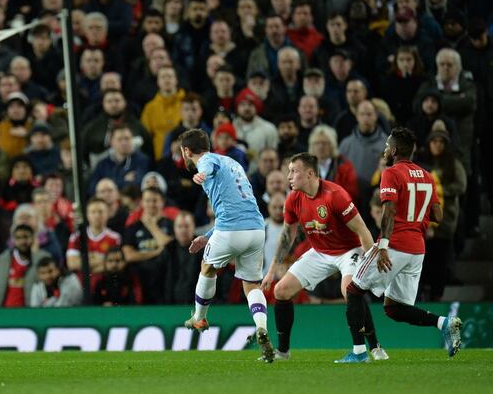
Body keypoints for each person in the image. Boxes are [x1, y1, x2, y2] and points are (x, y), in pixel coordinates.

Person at [345, 127, 462, 359]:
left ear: (396, 150)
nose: (385, 149)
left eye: (388, 146)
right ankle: (443, 323)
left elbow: (389, 212)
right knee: (394, 308)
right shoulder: (428, 176)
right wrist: (418, 214)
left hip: (395, 245)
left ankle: (359, 352)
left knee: (353, 290)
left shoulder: (391, 173)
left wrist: (385, 246)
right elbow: (439, 216)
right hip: (417, 250)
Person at [260, 152, 386, 363]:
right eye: (288, 171)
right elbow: (286, 236)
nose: (289, 176)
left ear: (310, 174)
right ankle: (283, 352)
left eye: (294, 171)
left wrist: (369, 262)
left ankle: (371, 348)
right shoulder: (293, 199)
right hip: (320, 252)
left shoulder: (335, 195)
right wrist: (272, 271)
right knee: (281, 290)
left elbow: (363, 230)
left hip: (349, 250)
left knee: (349, 291)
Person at [178, 129, 274, 363]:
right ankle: (262, 327)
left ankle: (199, 317)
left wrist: (201, 174)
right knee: (251, 284)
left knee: (207, 267)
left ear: (187, 151)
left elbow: (207, 165)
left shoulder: (207, 160)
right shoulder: (231, 162)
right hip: (256, 230)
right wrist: (208, 236)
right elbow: (237, 201)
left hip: (231, 230)